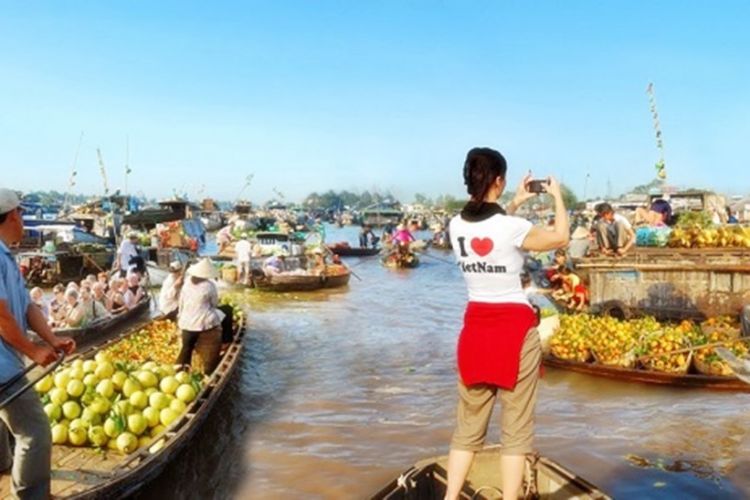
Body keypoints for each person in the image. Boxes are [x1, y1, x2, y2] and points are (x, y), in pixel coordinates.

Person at [445, 148, 569, 500]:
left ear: (470, 179)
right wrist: (557, 196)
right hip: (514, 333)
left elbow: (490, 228)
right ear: (498, 179)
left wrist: (512, 201)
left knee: (467, 429)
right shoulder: (512, 227)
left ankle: (450, 497)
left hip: (474, 332)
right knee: (515, 430)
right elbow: (559, 237)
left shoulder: (456, 225)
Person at [0, 188, 76, 498]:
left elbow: (28, 307)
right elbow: (2, 316)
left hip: (6, 360)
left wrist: (52, 339)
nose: (23, 219)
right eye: (20, 213)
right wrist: (33, 350)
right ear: (12, 215)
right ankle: (31, 495)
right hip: (3, 367)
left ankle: (3, 465)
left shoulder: (6, 254)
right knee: (34, 431)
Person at [176, 258, 224, 374]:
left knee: (186, 348)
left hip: (185, 321)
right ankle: (227, 341)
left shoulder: (187, 282)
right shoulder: (209, 286)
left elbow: (181, 301)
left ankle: (180, 370)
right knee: (225, 312)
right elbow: (214, 303)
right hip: (201, 323)